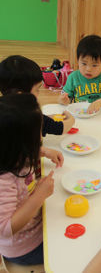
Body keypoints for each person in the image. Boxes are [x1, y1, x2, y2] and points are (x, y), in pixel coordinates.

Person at [0, 93, 59, 265]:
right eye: (38, 134)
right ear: (20, 143)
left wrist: (43, 151)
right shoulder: (4, 180)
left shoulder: (10, 153)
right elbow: (4, 229)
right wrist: (39, 196)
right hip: (26, 247)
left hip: (38, 224)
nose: (41, 137)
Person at [0, 55, 75, 137]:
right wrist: (71, 119)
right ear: (20, 94)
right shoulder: (30, 116)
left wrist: (49, 117)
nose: (38, 93)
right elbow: (61, 128)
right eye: (37, 89)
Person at [58, 35, 101, 113]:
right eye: (84, 63)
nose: (88, 69)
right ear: (78, 60)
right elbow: (63, 99)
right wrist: (63, 100)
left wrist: (99, 103)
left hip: (100, 113)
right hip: (80, 113)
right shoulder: (73, 77)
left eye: (94, 65)